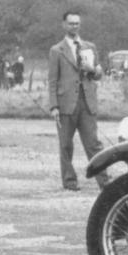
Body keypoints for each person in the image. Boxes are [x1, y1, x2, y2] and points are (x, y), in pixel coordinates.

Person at [47, 10, 110, 192]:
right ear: (64, 25)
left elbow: (98, 75)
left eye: (77, 23)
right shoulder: (56, 50)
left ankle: (104, 182)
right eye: (71, 23)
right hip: (65, 104)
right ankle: (69, 181)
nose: (74, 26)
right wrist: (54, 106)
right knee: (66, 145)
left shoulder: (90, 47)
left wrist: (94, 70)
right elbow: (52, 80)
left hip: (87, 102)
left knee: (94, 144)